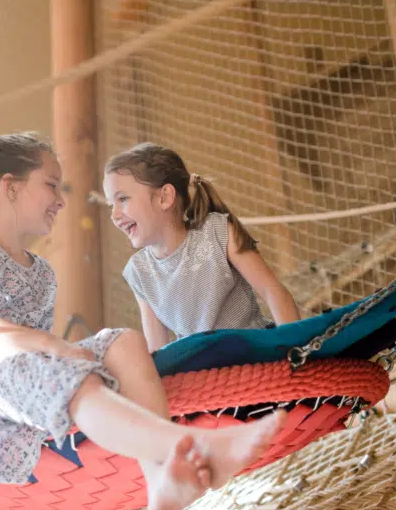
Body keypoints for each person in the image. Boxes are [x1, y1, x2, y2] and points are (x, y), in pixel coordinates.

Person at [0, 132, 284, 510]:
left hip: (25, 369)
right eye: (51, 185)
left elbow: (43, 358)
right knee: (66, 375)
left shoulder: (41, 271)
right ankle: (199, 446)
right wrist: (53, 347)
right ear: (10, 186)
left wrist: (57, 351)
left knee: (123, 342)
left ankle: (159, 478)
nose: (60, 199)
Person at [103, 142, 300, 353]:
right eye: (110, 204)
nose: (114, 215)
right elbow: (158, 349)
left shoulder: (217, 232)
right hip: (203, 368)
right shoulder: (139, 271)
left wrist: (296, 353)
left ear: (165, 197)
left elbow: (273, 292)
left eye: (122, 199)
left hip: (253, 352)